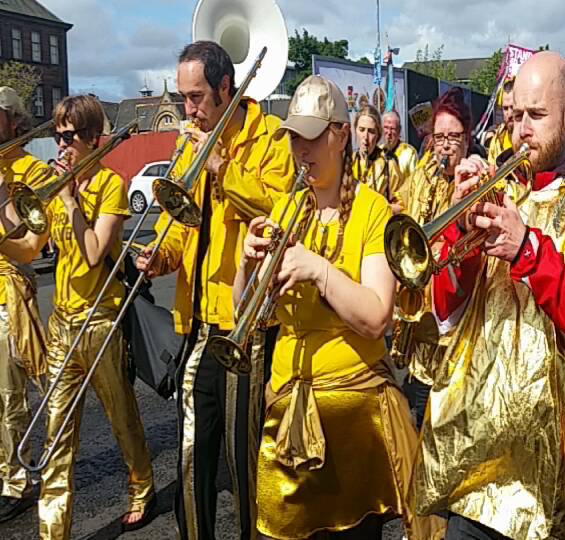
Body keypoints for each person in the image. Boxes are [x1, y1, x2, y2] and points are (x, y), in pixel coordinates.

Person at [414, 51, 565, 540]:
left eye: (536, 116)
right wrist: (458, 232)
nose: (521, 129)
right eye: (515, 115)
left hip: (549, 482)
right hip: (474, 464)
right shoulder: (495, 192)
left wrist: (529, 250)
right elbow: (446, 313)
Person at [238, 75, 440, 540]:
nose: (300, 150)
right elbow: (249, 316)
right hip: (288, 410)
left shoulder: (371, 210)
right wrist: (246, 268)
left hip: (353, 419)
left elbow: (375, 318)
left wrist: (319, 270)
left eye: (311, 137)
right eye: (293, 137)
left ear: (341, 135)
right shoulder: (286, 209)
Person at [133, 41, 294, 540]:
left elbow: (280, 209)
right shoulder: (189, 141)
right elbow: (184, 224)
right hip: (198, 321)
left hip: (247, 324)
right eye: (183, 98)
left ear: (227, 88)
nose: (189, 110)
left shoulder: (270, 137)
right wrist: (159, 257)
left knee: (244, 457)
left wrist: (222, 165)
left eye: (198, 97)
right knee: (191, 453)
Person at [1, 95, 156, 538]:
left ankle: (141, 486)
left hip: (102, 324)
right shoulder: (54, 189)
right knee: (56, 438)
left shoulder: (110, 185)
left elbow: (92, 255)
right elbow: (30, 248)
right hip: (63, 326)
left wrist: (70, 201)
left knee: (122, 418)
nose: (60, 143)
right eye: (57, 134)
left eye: (68, 136)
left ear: (93, 139)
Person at [393, 88, 472, 429]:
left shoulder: (473, 178)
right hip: (420, 315)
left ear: (466, 140)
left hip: (455, 322)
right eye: (439, 136)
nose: (445, 145)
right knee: (416, 408)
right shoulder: (422, 175)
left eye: (453, 137)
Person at [0, 87, 49, 524]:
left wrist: (1, 194)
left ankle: (18, 478)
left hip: (10, 288)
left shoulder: (29, 170)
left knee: (11, 393)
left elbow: (31, 246)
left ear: (14, 120)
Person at [353, 105, 405, 213]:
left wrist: (377, 209)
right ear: (355, 130)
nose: (365, 137)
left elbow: (401, 206)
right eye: (361, 130)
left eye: (371, 131)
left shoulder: (388, 163)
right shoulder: (348, 162)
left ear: (378, 134)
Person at [382, 110, 417, 190]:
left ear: (399, 130)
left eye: (392, 129)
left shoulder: (409, 153)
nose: (389, 132)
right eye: (386, 127)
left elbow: (414, 184)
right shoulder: (378, 152)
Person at [486, 78, 514, 163]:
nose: (509, 114)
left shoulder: (531, 138)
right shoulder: (496, 141)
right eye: (505, 108)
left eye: (513, 107)